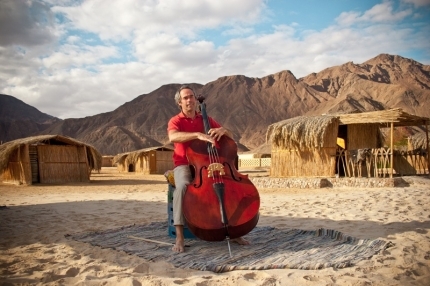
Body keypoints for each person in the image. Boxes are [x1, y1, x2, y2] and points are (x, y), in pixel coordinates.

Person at [167, 85, 250, 253]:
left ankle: (234, 231)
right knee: (182, 187)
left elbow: (231, 136)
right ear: (179, 103)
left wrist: (223, 130)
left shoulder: (206, 119)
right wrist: (197, 135)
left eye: (191, 96)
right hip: (184, 163)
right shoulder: (176, 120)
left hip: (207, 163)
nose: (189, 100)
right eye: (185, 98)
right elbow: (173, 137)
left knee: (226, 187)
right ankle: (180, 237)